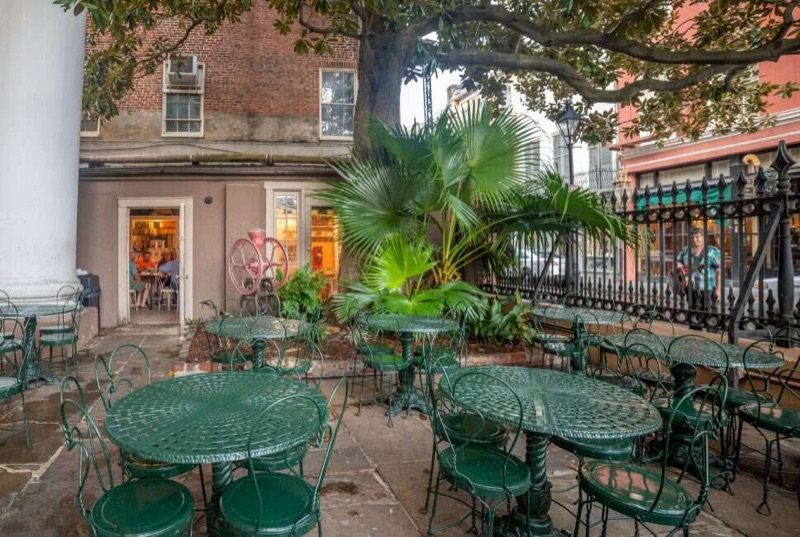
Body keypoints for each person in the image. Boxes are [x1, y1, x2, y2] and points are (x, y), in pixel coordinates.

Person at [676, 228, 721, 309]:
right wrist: (679, 266)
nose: (694, 239)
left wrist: (718, 289)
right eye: (692, 237)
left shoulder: (713, 251)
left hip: (708, 289)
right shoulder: (685, 250)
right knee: (692, 313)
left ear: (703, 238)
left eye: (697, 237)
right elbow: (678, 262)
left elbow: (719, 272)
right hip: (690, 289)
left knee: (708, 313)